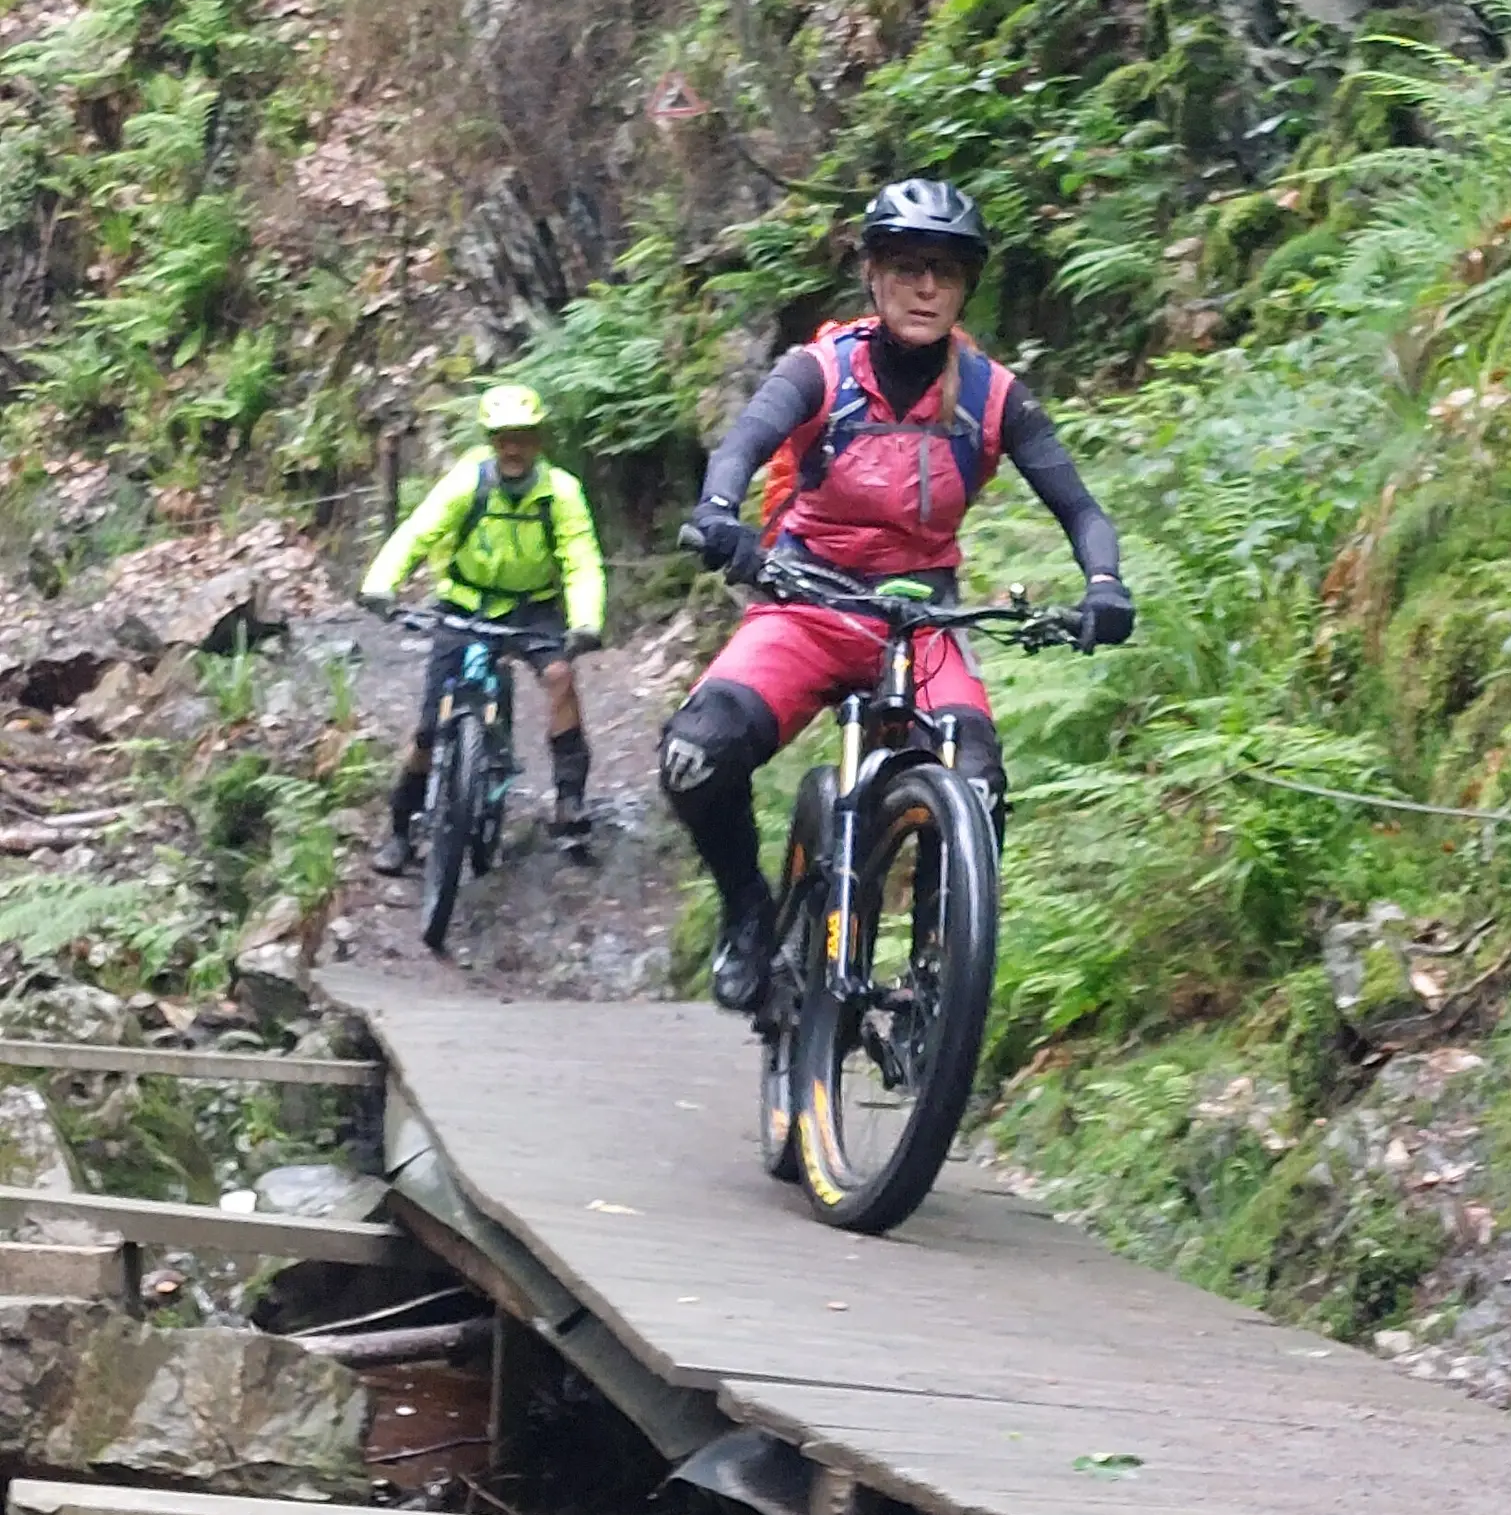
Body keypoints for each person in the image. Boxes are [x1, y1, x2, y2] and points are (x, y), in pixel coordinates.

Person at [660, 174, 1133, 1009]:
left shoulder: (991, 394)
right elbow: (742, 445)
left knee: (979, 789)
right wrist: (719, 513)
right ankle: (746, 916)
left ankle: (938, 975)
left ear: (964, 289)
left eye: (945, 273)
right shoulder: (822, 370)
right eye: (909, 266)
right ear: (873, 276)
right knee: (696, 757)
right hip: (806, 604)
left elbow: (1082, 508)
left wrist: (1103, 584)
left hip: (921, 623)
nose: (926, 286)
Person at [360, 384, 606, 869]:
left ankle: (568, 800)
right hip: (465, 603)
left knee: (559, 677)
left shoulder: (560, 492)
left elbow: (581, 559)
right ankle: (401, 830)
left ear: (538, 441)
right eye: (502, 438)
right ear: (491, 441)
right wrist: (381, 584)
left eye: (522, 437)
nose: (512, 448)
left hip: (533, 607)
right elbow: (418, 532)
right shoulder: (466, 483)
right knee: (430, 731)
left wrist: (584, 621)